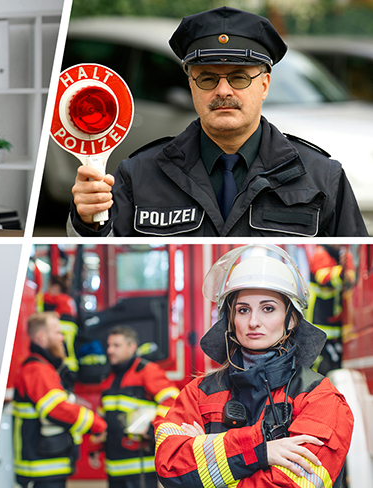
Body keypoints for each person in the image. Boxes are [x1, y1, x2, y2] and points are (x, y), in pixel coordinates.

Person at [68, 7, 366, 237]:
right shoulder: (138, 174)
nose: (223, 91)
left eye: (239, 77)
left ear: (264, 85)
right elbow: (103, 251)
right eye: (208, 78)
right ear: (192, 87)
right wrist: (86, 219)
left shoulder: (322, 177)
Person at [154, 245, 353, 487]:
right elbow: (170, 467)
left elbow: (292, 483)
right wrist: (262, 451)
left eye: (268, 308)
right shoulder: (198, 394)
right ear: (231, 319)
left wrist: (207, 449)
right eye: (243, 310)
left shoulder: (320, 398)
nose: (253, 322)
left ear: (290, 319)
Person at [12, 312, 107, 488]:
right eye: (57, 332)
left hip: (46, 464)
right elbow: (56, 409)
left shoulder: (44, 368)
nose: (62, 338)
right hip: (42, 468)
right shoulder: (37, 370)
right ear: (41, 337)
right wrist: (96, 423)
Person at [98, 325, 179, 488]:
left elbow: (173, 401)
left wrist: (152, 429)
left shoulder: (147, 371)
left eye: (116, 345)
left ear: (132, 347)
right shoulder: (109, 377)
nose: (110, 350)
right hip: (114, 465)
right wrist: (95, 446)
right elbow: (103, 414)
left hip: (139, 464)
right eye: (109, 345)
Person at [306, 245, 355, 375]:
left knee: (334, 366)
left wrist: (344, 271)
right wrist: (342, 271)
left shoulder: (343, 255)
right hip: (319, 321)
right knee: (320, 366)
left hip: (335, 323)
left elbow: (351, 277)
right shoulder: (321, 254)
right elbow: (324, 278)